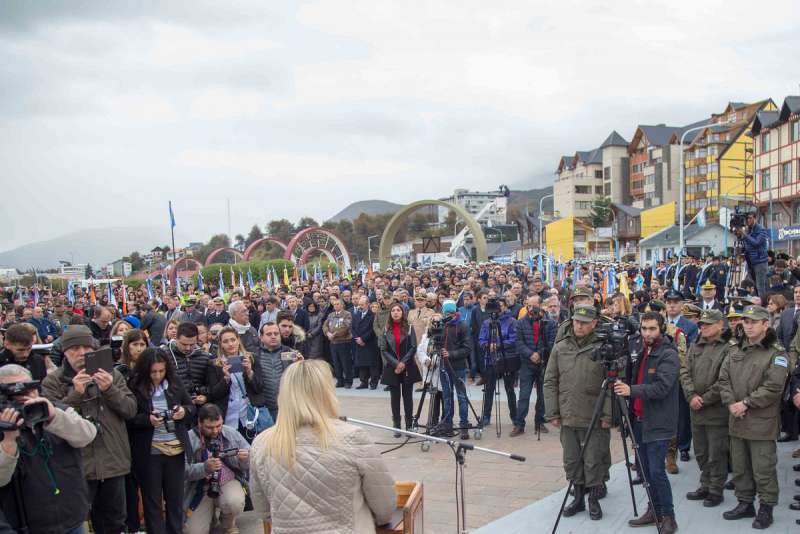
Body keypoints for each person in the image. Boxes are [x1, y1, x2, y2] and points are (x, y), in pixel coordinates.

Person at [249, 359, 396, 534]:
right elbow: (385, 505)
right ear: (326, 393)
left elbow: (263, 509)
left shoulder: (262, 443)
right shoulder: (352, 438)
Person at [41, 324, 137, 534]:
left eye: (86, 348)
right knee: (75, 522)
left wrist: (109, 389)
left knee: (114, 522)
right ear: (65, 352)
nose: (81, 354)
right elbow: (50, 422)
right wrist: (76, 394)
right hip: (77, 466)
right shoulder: (53, 381)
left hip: (112, 462)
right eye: (75, 349)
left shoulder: (111, 374)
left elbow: (130, 410)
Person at [0, 364, 98, 534]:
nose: (24, 398)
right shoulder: (3, 426)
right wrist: (9, 439)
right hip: (29, 524)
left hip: (73, 516)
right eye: (14, 394)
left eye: (27, 389)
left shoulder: (56, 409)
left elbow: (88, 435)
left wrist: (53, 416)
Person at [718, 305, 787, 529]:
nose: (747, 326)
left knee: (763, 468)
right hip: (736, 419)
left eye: (753, 322)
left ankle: (766, 508)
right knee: (740, 467)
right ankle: (745, 503)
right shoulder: (736, 349)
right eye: (745, 322)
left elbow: (774, 387)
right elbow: (723, 379)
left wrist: (745, 403)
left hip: (761, 423)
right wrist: (730, 403)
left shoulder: (776, 353)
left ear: (765, 325)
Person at [613, 311, 679, 533]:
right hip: (639, 419)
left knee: (657, 471)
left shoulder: (668, 354)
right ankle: (654, 509)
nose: (647, 333)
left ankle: (668, 516)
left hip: (658, 422)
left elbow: (662, 387)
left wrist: (631, 390)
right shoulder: (641, 350)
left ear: (662, 329)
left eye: (652, 329)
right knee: (645, 471)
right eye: (644, 328)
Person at [544, 304, 610, 521]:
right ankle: (579, 497)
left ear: (594, 324)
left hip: (594, 413)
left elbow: (612, 384)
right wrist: (553, 412)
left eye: (584, 322)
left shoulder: (603, 347)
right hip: (568, 412)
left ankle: (593, 499)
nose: (579, 325)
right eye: (576, 321)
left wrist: (608, 415)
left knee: (593, 459)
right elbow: (550, 381)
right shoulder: (561, 347)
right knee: (572, 459)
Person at [128, 348, 194, 534]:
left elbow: (191, 407)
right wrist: (147, 420)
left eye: (161, 371)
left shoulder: (174, 383)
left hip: (175, 449)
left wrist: (183, 412)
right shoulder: (135, 386)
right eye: (153, 372)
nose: (157, 376)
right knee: (152, 502)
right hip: (150, 452)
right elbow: (128, 418)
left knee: (175, 501)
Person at [679, 309, 731, 508]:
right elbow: (684, 371)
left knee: (716, 452)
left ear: (720, 325)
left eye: (708, 324)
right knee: (700, 451)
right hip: (696, 408)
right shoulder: (695, 345)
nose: (703, 327)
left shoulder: (728, 348)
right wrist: (691, 396)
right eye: (702, 324)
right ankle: (705, 483)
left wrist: (704, 399)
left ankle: (716, 489)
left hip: (716, 410)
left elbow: (725, 379)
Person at [184, 404, 250, 534]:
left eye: (218, 425)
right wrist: (204, 467)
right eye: (210, 427)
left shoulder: (230, 433)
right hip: (199, 488)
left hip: (227, 481)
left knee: (234, 502)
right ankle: (211, 519)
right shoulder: (189, 438)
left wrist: (245, 458)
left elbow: (250, 459)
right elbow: (182, 471)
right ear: (199, 423)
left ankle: (229, 525)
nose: (215, 431)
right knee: (193, 532)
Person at [205, 326, 264, 437]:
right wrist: (225, 379)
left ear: (238, 340)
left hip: (249, 414)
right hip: (228, 415)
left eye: (233, 340)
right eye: (226, 341)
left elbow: (259, 387)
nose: (230, 344)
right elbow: (214, 394)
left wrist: (249, 372)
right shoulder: (214, 364)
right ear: (221, 344)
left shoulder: (251, 358)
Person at [513, 294, 556, 437]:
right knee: (524, 395)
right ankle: (519, 424)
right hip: (527, 363)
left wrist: (539, 353)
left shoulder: (549, 323)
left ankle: (540, 421)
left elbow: (551, 342)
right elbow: (518, 343)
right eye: (528, 306)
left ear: (540, 306)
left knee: (542, 396)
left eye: (533, 305)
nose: (531, 309)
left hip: (543, 363)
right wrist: (531, 354)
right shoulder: (520, 323)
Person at [478, 298, 519, 429]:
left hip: (506, 358)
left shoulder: (512, 321)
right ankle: (486, 416)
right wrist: (487, 345)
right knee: (489, 389)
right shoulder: (487, 322)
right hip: (490, 359)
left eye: (501, 306)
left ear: (506, 307)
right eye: (496, 306)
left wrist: (499, 345)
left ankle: (515, 416)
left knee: (509, 389)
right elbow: (481, 339)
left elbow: (514, 339)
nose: (498, 309)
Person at [380, 303, 420, 435]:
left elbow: (413, 347)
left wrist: (402, 363)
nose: (396, 312)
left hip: (407, 366)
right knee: (394, 397)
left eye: (398, 310)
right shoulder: (386, 329)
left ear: (402, 312)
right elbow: (383, 349)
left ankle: (409, 425)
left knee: (408, 397)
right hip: (392, 367)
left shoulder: (409, 328)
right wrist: (396, 364)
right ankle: (396, 425)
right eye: (393, 311)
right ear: (390, 314)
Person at [253, 322, 301, 421]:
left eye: (276, 334)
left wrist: (300, 366)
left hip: (287, 408)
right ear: (261, 337)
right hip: (265, 410)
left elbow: (299, 380)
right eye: (269, 334)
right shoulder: (255, 356)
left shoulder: (289, 353)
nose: (273, 336)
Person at [735, 211, 770, 299]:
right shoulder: (748, 229)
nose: (748, 220)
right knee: (755, 286)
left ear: (755, 218)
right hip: (750, 262)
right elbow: (745, 244)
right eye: (747, 218)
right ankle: (759, 302)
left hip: (760, 262)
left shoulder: (761, 229)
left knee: (760, 287)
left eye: (750, 218)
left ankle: (763, 307)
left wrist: (744, 234)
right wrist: (740, 236)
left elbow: (756, 243)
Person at [323, 297, 354, 388]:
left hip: (344, 342)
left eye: (338, 304)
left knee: (345, 362)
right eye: (334, 304)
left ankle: (348, 381)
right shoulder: (331, 315)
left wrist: (335, 334)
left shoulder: (347, 314)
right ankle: (340, 380)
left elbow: (346, 327)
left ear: (342, 305)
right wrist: (327, 333)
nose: (336, 306)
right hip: (333, 343)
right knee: (336, 363)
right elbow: (325, 326)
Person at [352, 295, 380, 389]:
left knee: (372, 364)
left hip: (370, 343)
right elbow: (352, 328)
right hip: (359, 343)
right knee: (362, 364)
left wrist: (363, 339)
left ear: (367, 304)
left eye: (362, 304)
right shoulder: (356, 315)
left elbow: (373, 330)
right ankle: (363, 382)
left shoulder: (373, 315)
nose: (360, 306)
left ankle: (373, 383)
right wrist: (357, 339)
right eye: (359, 304)